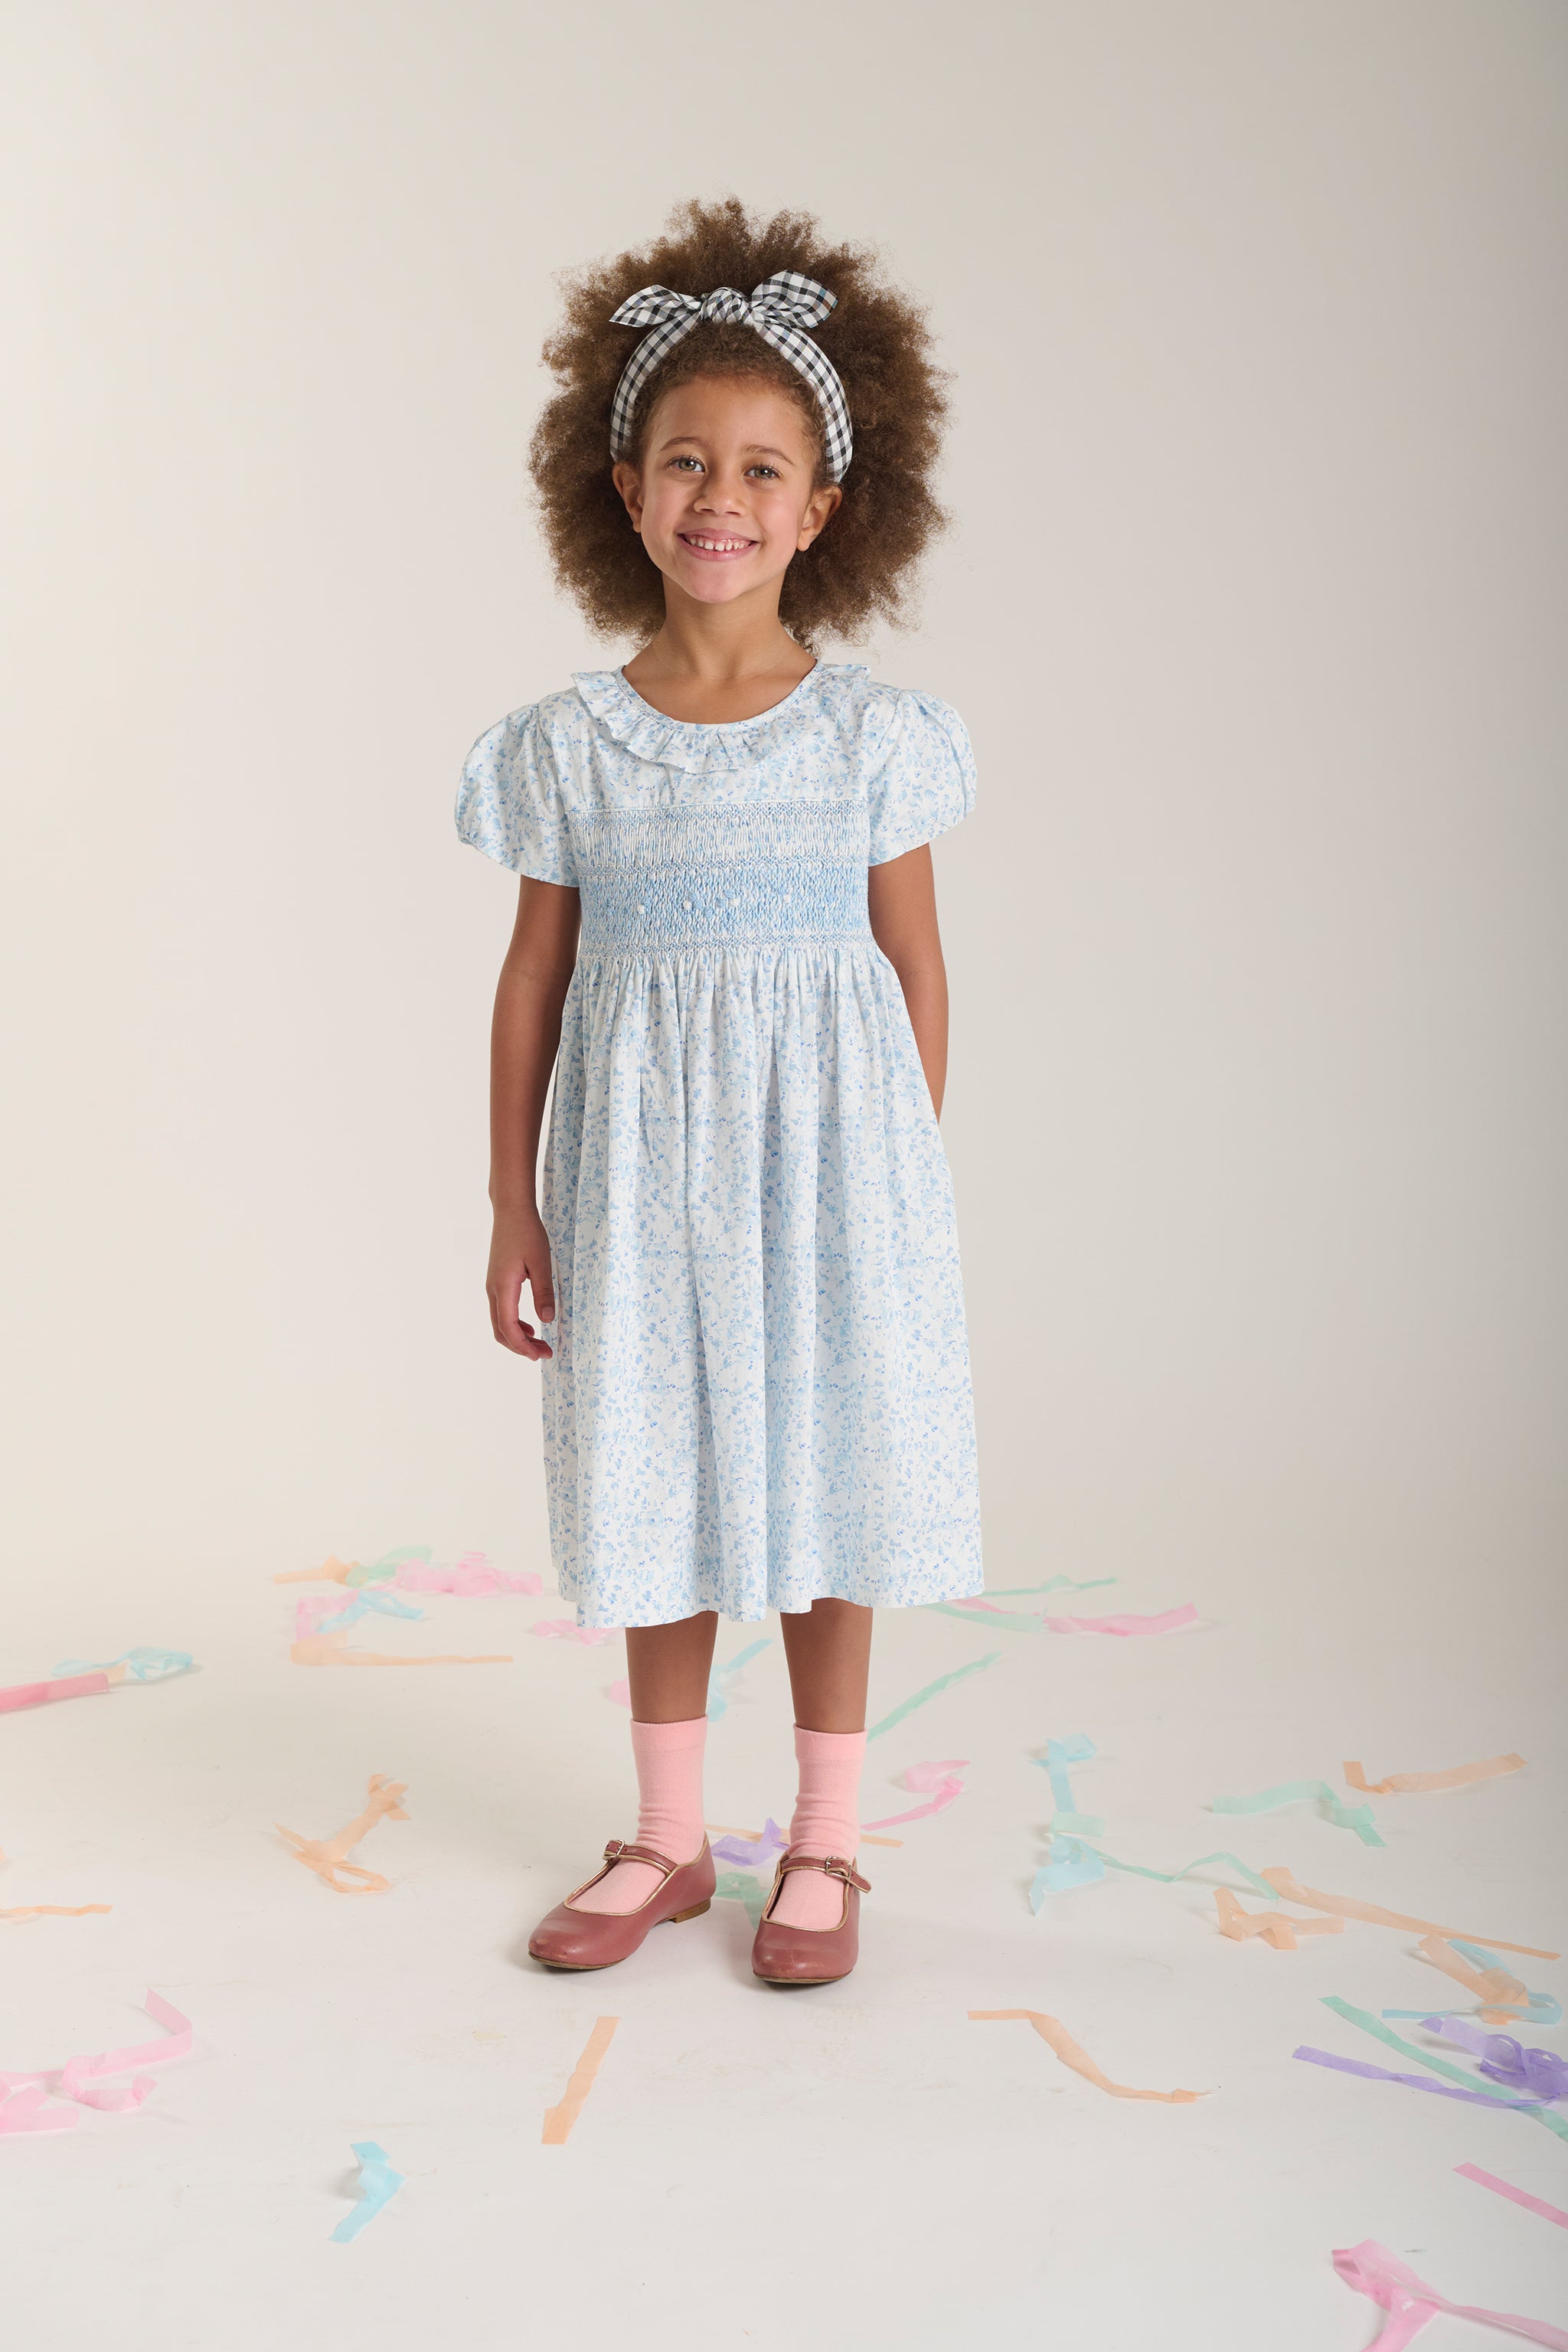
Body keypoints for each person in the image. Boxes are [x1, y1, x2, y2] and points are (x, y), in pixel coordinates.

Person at [456, 198, 982, 1986]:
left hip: (834, 1180)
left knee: (827, 1481)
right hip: (636, 1188)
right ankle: (669, 1837)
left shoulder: (871, 737)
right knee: (653, 1474)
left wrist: (896, 1170)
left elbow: (912, 964)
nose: (720, 498)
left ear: (826, 508)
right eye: (685, 460)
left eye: (763, 468)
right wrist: (517, 1201)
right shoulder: (566, 746)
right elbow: (534, 976)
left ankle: (825, 1845)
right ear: (622, 484)